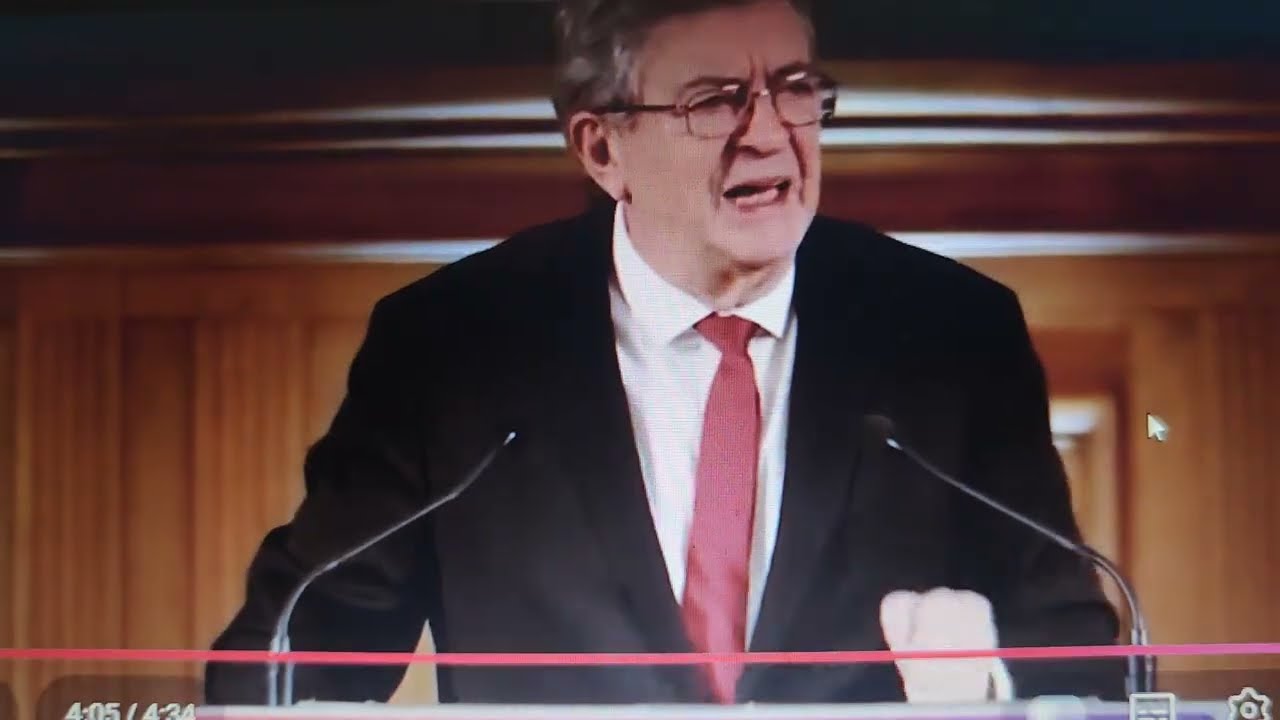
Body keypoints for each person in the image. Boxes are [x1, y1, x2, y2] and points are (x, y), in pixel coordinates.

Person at [205, 0, 1124, 706]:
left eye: (794, 87)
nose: (768, 132)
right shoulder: (449, 346)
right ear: (603, 148)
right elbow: (287, 657)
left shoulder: (954, 332)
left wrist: (986, 687)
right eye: (714, 100)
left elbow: (1078, 660)